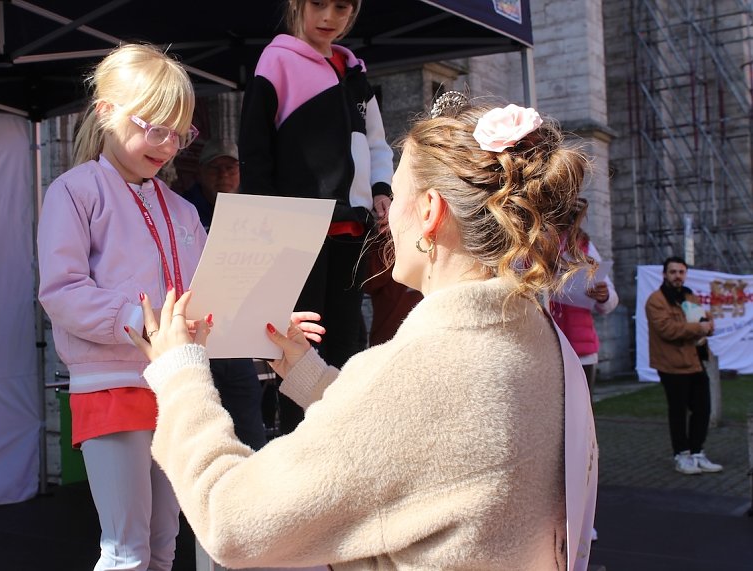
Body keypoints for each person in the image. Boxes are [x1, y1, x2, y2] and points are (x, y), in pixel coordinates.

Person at [126, 95, 598, 570]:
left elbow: (232, 522)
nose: (385, 215)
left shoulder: (421, 371)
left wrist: (179, 375)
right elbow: (413, 439)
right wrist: (307, 374)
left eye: (394, 194)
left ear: (430, 212)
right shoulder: (536, 337)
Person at [37, 43, 205, 571]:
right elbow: (61, 291)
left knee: (163, 544)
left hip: (175, 384)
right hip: (110, 386)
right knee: (127, 548)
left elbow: (207, 296)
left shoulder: (181, 208)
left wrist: (262, 324)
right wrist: (139, 322)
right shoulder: (74, 191)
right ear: (106, 111)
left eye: (180, 132)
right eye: (156, 127)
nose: (169, 144)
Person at [238, 0, 394, 433]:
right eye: (318, 4)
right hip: (295, 232)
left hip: (352, 230)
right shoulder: (277, 61)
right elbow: (254, 152)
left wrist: (382, 190)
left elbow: (378, 144)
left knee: (349, 343)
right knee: (301, 348)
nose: (329, 17)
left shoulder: (356, 74)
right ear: (296, 6)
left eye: (341, 7)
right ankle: (298, 450)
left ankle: (345, 444)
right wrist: (263, 228)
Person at [184, 137, 267, 450]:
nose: (223, 176)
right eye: (215, 168)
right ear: (200, 173)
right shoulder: (186, 209)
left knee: (247, 408)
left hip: (233, 332)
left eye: (230, 168)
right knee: (205, 422)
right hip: (196, 332)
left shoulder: (248, 210)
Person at [645, 256, 723, 475]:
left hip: (696, 361)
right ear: (664, 275)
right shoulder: (656, 300)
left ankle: (698, 452)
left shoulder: (690, 296)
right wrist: (700, 328)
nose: (677, 276)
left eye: (681, 272)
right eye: (673, 272)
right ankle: (682, 455)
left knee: (703, 409)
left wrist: (708, 326)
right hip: (672, 364)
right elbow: (668, 330)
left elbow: (702, 321)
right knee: (678, 411)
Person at [550, 226, 619, 395]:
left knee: (582, 415)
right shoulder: (531, 240)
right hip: (546, 344)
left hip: (580, 346)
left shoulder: (582, 244)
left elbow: (610, 299)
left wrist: (603, 296)